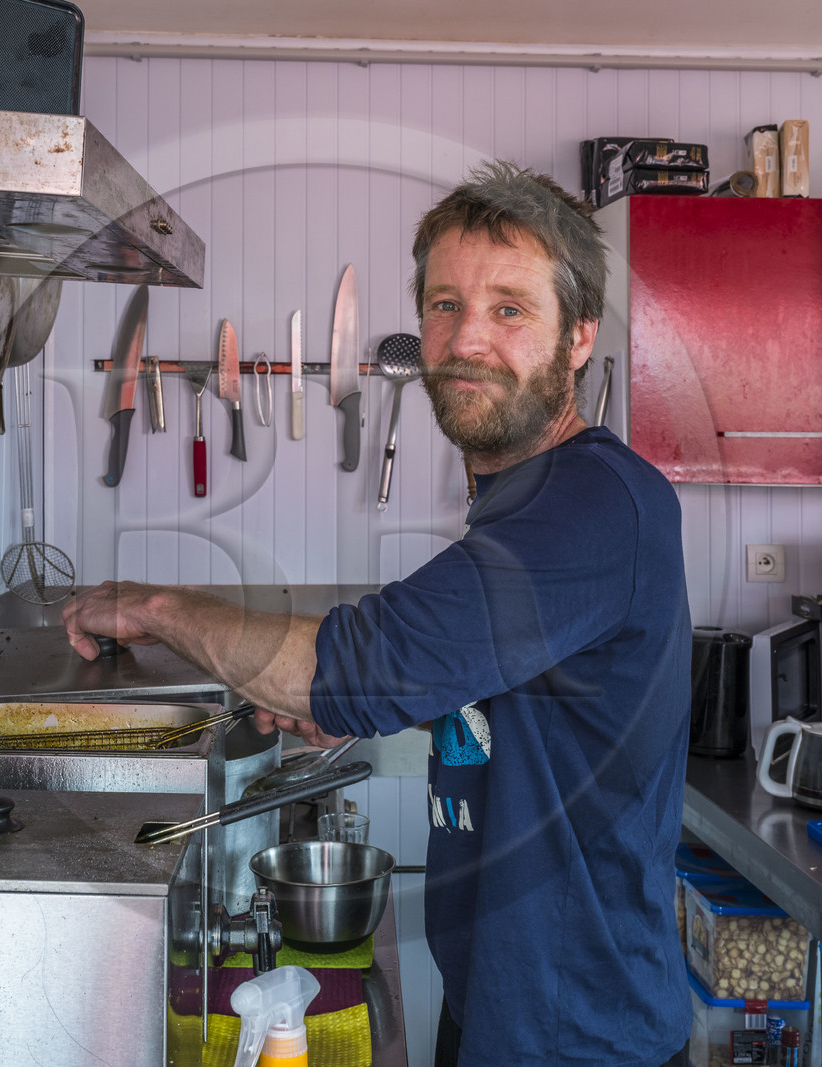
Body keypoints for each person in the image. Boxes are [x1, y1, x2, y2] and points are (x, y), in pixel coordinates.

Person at [62, 160, 691, 1066]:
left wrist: (155, 606)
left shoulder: (591, 503)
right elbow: (494, 686)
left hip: (578, 1032)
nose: (467, 338)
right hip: (503, 1009)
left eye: (509, 309)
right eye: (444, 305)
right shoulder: (520, 502)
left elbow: (359, 665)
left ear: (579, 335)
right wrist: (342, 705)